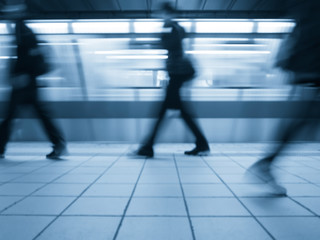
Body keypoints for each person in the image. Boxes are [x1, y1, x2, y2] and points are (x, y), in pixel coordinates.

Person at [246, 0, 320, 195]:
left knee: (304, 120)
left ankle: (267, 163)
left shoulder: (307, 11)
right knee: (303, 120)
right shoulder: (312, 12)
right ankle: (267, 163)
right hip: (311, 71)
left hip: (307, 71)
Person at [135, 2, 210, 158]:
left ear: (168, 13)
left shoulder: (171, 27)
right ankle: (202, 143)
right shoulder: (174, 27)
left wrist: (152, 43)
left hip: (177, 73)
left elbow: (170, 44)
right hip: (177, 73)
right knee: (180, 111)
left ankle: (147, 147)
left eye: (161, 13)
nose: (159, 16)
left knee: (163, 111)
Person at [0, 15, 66, 159]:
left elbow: (27, 61)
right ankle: (59, 144)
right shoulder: (24, 36)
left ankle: (0, 148)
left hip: (24, 85)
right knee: (41, 116)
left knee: (10, 117)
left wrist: (22, 76)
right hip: (26, 85)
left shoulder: (25, 37)